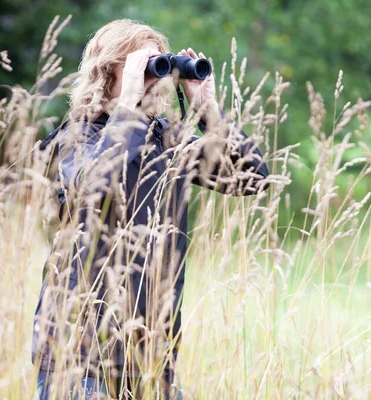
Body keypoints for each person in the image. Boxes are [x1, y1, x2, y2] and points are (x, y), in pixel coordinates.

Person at [32, 19, 269, 399]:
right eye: (144, 67)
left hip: (151, 360)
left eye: (161, 66)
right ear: (108, 72)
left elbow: (251, 178)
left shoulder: (166, 140)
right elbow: (94, 186)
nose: (155, 79)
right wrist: (126, 107)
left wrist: (207, 111)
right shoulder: (73, 138)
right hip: (80, 356)